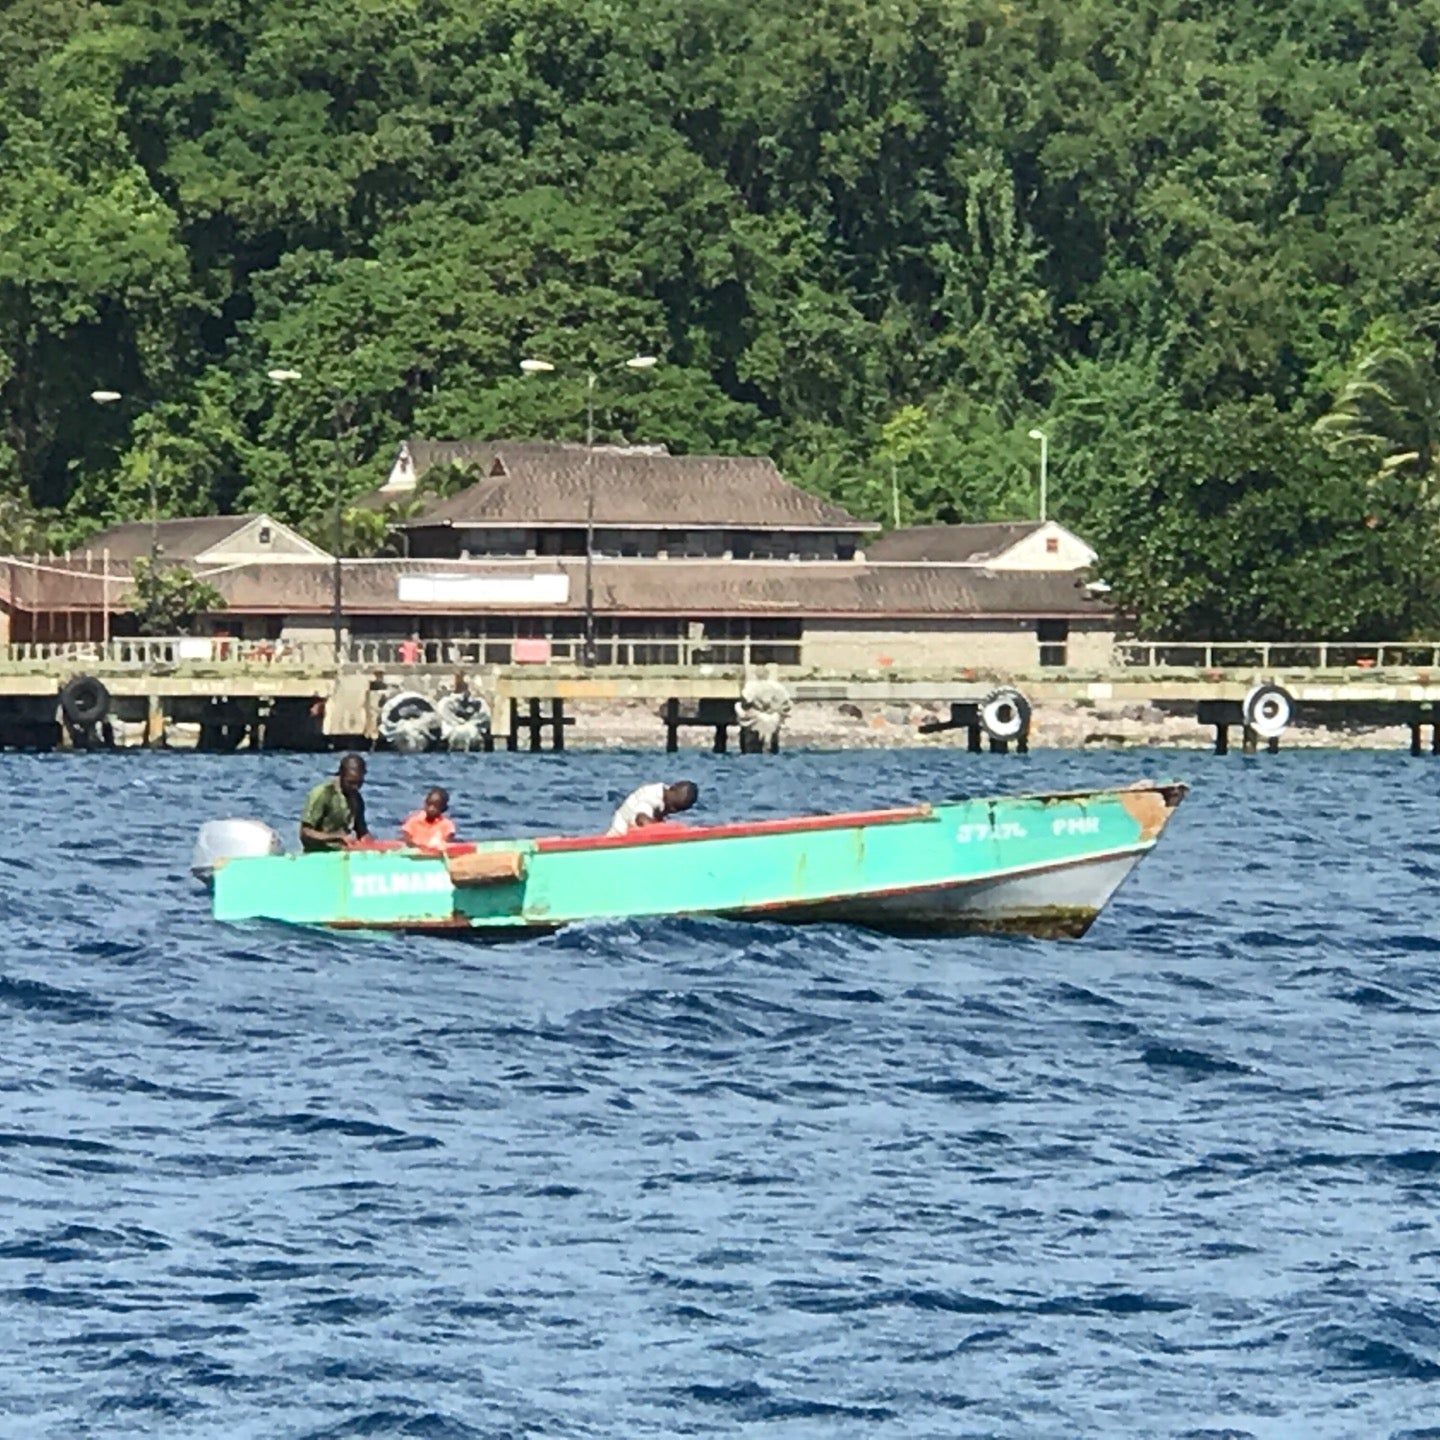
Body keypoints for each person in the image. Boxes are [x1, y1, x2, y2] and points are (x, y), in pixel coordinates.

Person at [300, 753, 370, 851]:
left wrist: (369, 843)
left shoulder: (356, 798)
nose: (355, 787)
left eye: (359, 783)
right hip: (316, 854)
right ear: (340, 775)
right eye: (350, 782)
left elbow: (362, 832)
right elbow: (305, 833)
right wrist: (337, 837)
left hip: (341, 854)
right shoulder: (323, 793)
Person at [607, 780, 699, 837]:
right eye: (672, 807)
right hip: (618, 840)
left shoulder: (663, 792)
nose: (672, 811)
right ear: (672, 788)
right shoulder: (652, 797)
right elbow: (641, 819)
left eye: (677, 810)